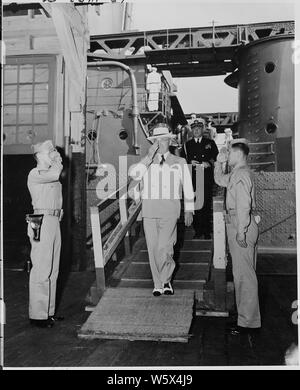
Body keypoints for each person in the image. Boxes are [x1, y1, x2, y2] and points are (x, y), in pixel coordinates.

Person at [129, 123, 194, 296]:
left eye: (164, 140)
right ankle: (158, 283)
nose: (160, 143)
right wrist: (148, 158)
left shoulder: (179, 162)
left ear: (169, 141)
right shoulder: (147, 162)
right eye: (157, 140)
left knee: (166, 247)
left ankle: (166, 279)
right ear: (153, 143)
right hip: (150, 210)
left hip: (170, 210)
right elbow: (134, 175)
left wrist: (189, 209)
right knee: (153, 247)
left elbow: (187, 186)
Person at [214, 138, 261, 335]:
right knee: (243, 274)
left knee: (244, 276)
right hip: (241, 223)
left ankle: (248, 323)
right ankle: (246, 317)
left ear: (238, 154)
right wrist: (219, 162)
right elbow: (219, 180)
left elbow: (242, 205)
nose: (228, 155)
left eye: (230, 153)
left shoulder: (240, 175)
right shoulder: (237, 173)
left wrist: (241, 231)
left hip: (241, 224)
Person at [27, 140, 64, 328]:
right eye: (50, 152)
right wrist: (57, 160)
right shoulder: (36, 173)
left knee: (53, 268)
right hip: (40, 221)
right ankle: (37, 315)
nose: (54, 154)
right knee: (42, 267)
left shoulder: (50, 175)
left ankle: (48, 312)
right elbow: (57, 172)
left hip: (53, 220)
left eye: (54, 151)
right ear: (39, 155)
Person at [183, 119, 219, 239]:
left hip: (206, 176)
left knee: (206, 204)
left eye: (199, 128)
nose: (196, 130)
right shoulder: (187, 145)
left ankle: (207, 231)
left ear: (203, 130)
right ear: (192, 130)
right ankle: (198, 230)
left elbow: (216, 157)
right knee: (196, 204)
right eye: (194, 128)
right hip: (194, 176)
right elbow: (182, 160)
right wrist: (189, 162)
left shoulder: (210, 142)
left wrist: (209, 162)